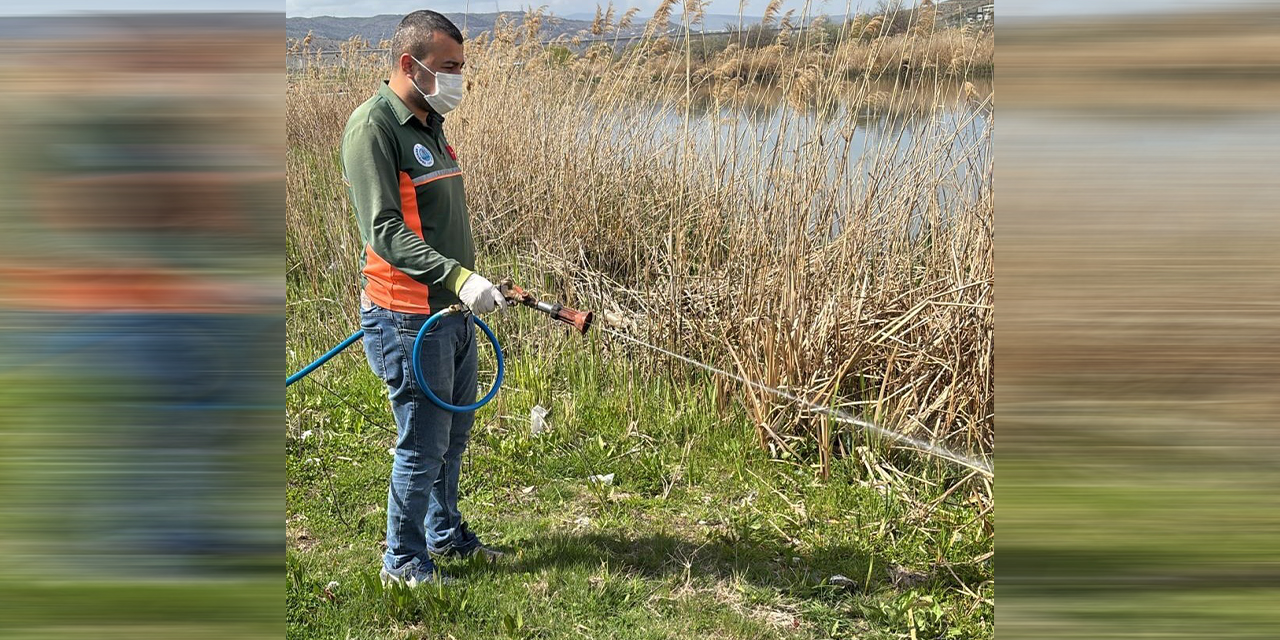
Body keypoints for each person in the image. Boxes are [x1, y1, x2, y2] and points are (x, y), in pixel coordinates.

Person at [341, 9, 508, 588]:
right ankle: (403, 563)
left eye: (462, 67)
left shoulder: (429, 123)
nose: (459, 79)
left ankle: (443, 534)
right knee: (422, 442)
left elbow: (436, 220)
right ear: (411, 64)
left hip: (451, 312)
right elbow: (383, 228)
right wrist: (456, 277)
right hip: (406, 316)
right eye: (449, 67)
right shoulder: (374, 128)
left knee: (453, 436)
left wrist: (467, 283)